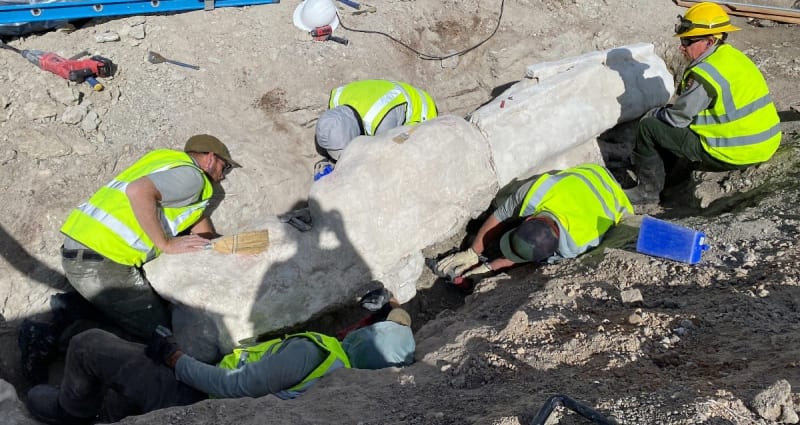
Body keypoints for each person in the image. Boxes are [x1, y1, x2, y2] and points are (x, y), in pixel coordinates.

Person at [24, 302, 415, 425]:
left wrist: (175, 358)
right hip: (211, 399)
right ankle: (112, 407)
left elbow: (230, 386)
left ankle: (71, 412)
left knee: (88, 343)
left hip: (194, 397)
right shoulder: (349, 384)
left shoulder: (315, 352)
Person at [58, 134, 241, 340]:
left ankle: (75, 306)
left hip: (85, 247)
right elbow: (139, 191)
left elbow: (199, 226)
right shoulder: (193, 178)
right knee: (160, 336)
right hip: (102, 258)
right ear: (209, 158)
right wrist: (166, 244)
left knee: (147, 310)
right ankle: (58, 332)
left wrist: (229, 248)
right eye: (224, 167)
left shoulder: (165, 164)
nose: (223, 176)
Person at [625, 2, 781, 204]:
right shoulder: (733, 57)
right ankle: (671, 176)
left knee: (649, 127)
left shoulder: (705, 75)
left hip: (734, 151)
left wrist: (655, 114)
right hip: (765, 143)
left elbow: (678, 119)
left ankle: (647, 192)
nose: (682, 46)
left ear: (709, 41)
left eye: (688, 41)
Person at [434, 164, 633, 289]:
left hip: (618, 202)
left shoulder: (576, 247)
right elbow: (501, 214)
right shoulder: (535, 194)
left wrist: (488, 269)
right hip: (592, 173)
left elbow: (528, 257)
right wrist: (472, 252)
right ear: (529, 219)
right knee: (507, 198)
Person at [314, 79, 438, 167]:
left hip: (422, 109)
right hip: (387, 93)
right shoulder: (337, 99)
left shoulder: (380, 122)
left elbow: (382, 160)